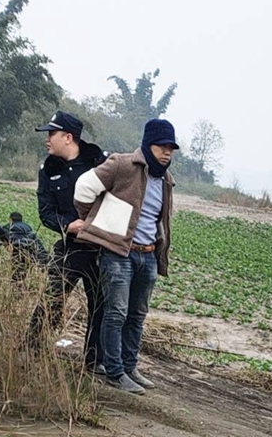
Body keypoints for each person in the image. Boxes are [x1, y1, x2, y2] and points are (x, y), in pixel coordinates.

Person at [74, 118, 177, 394]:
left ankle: (130, 368)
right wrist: (95, 224)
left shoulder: (165, 180)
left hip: (148, 255)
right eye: (162, 146)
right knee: (116, 313)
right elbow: (84, 189)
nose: (167, 152)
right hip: (119, 254)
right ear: (148, 144)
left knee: (137, 315)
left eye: (171, 148)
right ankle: (115, 372)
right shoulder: (122, 165)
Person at [25, 110, 108, 374]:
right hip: (70, 246)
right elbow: (45, 211)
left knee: (100, 305)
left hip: (98, 248)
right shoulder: (48, 170)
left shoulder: (100, 162)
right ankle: (30, 348)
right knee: (52, 298)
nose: (47, 139)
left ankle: (95, 362)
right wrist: (66, 225)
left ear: (68, 137)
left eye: (52, 134)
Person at [2, 212, 49, 284]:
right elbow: (37, 242)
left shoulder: (8, 226)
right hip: (30, 251)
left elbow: (1, 238)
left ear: (10, 219)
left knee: (17, 270)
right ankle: (19, 285)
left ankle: (15, 286)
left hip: (17, 250)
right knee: (23, 270)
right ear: (21, 219)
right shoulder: (28, 227)